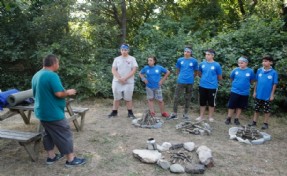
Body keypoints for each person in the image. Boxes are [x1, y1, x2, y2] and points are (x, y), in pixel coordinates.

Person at [32, 54, 86, 167]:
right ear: (54, 64)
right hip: (52, 113)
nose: (59, 65)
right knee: (64, 133)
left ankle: (51, 157)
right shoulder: (52, 75)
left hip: (41, 111)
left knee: (48, 134)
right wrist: (68, 92)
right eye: (58, 63)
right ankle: (71, 160)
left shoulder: (36, 75)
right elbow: (59, 93)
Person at [167, 46, 199, 120]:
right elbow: (177, 70)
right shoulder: (179, 60)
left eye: (188, 52)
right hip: (180, 81)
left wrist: (191, 77)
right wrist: (179, 77)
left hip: (190, 82)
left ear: (191, 53)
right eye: (185, 51)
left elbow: (196, 72)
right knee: (176, 97)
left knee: (187, 98)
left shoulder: (194, 61)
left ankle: (185, 114)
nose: (186, 53)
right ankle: (174, 113)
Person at [108, 44, 138, 118]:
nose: (124, 51)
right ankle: (114, 112)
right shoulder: (117, 59)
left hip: (128, 82)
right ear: (120, 50)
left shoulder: (132, 59)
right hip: (117, 81)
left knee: (128, 98)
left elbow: (134, 70)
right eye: (122, 50)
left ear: (128, 50)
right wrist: (120, 78)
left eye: (125, 50)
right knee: (116, 97)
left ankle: (130, 113)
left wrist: (125, 78)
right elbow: (113, 70)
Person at [248, 55, 278, 129]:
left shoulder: (274, 72)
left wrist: (272, 95)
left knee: (266, 110)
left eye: (266, 61)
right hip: (259, 94)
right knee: (256, 109)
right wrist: (254, 92)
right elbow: (257, 82)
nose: (264, 63)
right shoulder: (259, 70)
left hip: (267, 95)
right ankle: (254, 122)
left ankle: (265, 123)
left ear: (271, 62)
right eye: (263, 61)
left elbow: (274, 84)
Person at [225, 56, 255, 125]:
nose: (240, 64)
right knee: (231, 105)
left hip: (244, 92)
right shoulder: (235, 70)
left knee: (240, 106)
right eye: (239, 63)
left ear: (246, 63)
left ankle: (236, 119)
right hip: (235, 91)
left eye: (242, 63)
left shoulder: (250, 71)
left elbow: (252, 80)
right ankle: (228, 118)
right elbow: (231, 78)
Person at [196, 49, 222, 122]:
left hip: (212, 87)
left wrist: (212, 80)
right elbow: (199, 73)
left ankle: (210, 117)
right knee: (202, 102)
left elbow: (219, 76)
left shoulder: (216, 65)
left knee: (211, 103)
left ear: (212, 55)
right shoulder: (202, 64)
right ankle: (201, 116)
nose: (206, 56)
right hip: (202, 85)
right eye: (206, 54)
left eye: (208, 54)